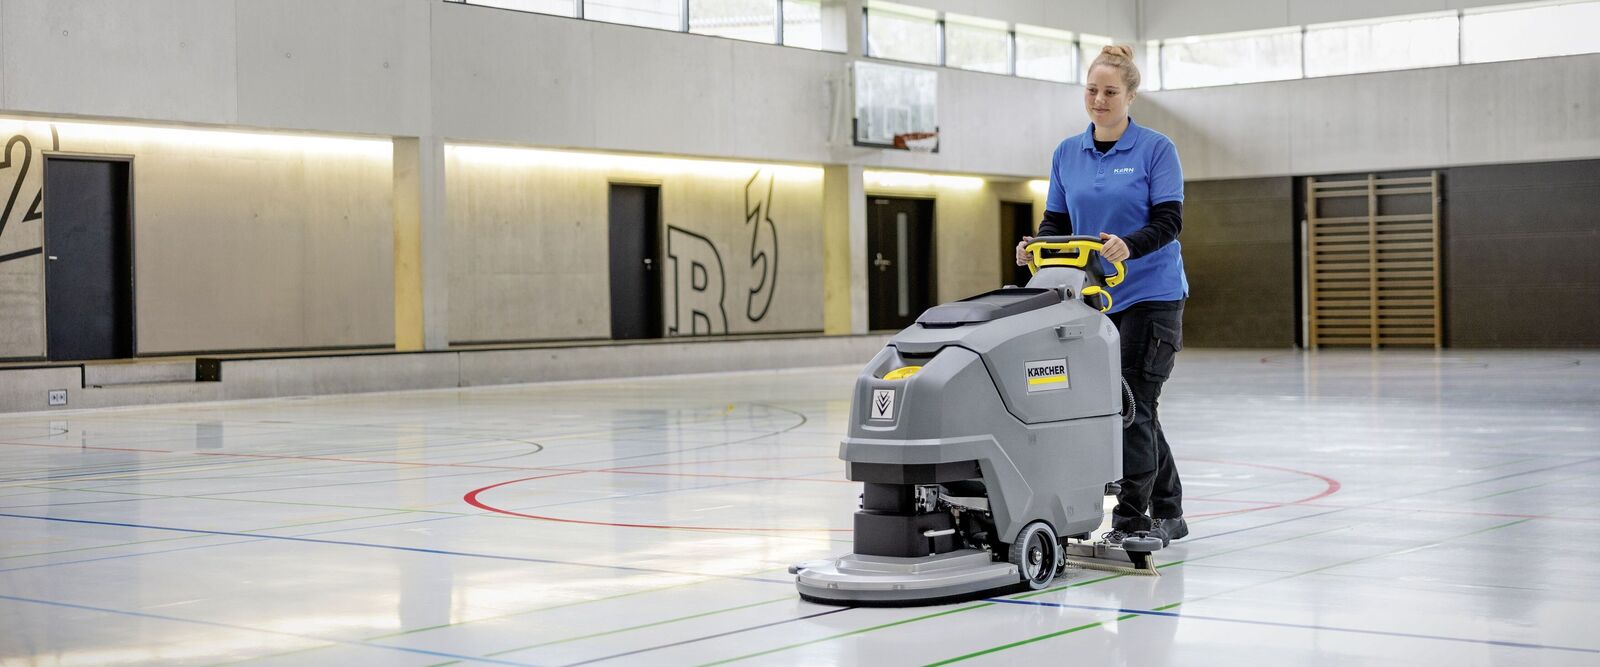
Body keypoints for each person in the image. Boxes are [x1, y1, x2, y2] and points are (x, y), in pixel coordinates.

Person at [1014, 44, 1189, 547]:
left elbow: (1169, 221)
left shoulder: (1157, 149)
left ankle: (1133, 520)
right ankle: (1170, 509)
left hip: (1151, 295)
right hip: (1096, 297)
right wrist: (1036, 247)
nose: (1099, 99)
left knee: (1130, 402)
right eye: (1092, 90)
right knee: (1134, 406)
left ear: (1130, 96)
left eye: (1110, 91)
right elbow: (1057, 222)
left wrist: (1127, 245)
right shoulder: (1068, 152)